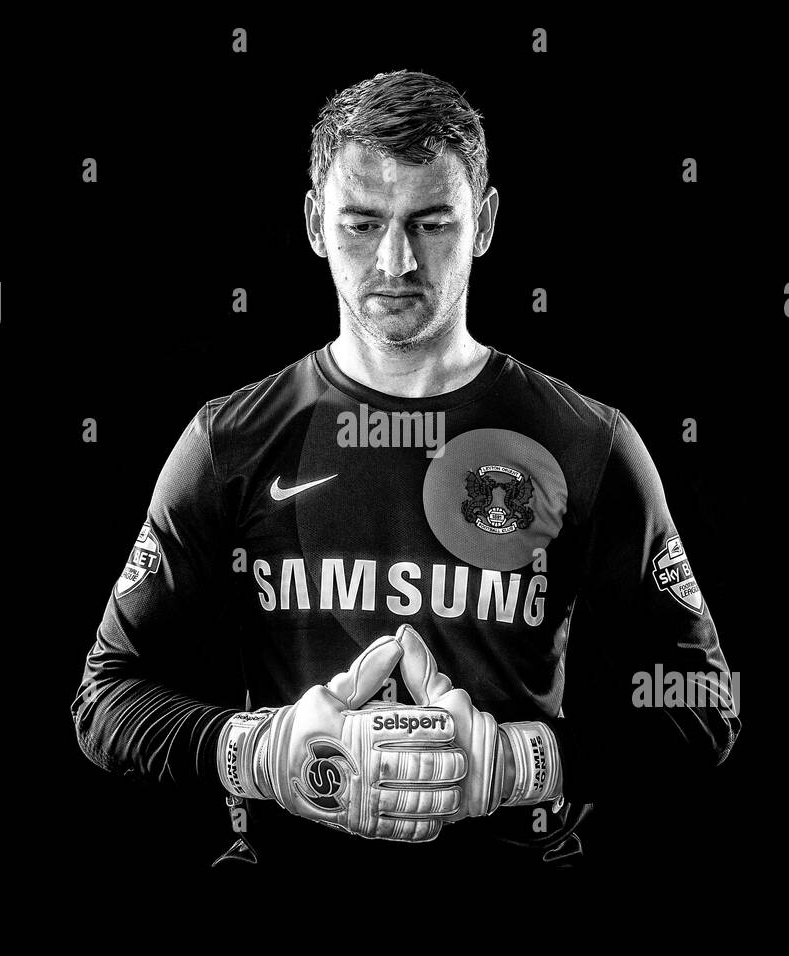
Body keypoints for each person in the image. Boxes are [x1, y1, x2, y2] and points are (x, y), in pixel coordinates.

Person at [71, 69, 739, 868]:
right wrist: (258, 752)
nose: (394, 260)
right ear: (315, 222)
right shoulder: (230, 442)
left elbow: (705, 705)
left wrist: (519, 763)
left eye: (431, 224)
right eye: (361, 223)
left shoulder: (587, 442)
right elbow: (106, 696)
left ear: (484, 223)